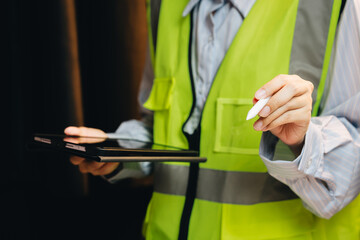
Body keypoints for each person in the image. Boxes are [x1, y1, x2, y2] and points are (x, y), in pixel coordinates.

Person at [65, 0, 360, 239]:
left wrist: (302, 141)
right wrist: (118, 151)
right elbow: (164, 129)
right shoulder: (161, 5)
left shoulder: (338, 6)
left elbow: (352, 171)